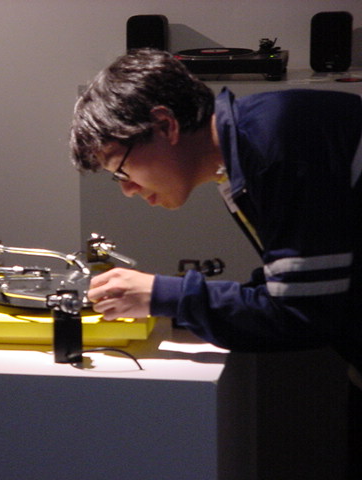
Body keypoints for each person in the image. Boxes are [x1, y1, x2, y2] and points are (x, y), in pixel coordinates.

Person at [70, 48, 362, 478]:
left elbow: (303, 312)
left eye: (121, 170)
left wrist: (164, 295)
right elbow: (289, 289)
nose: (127, 189)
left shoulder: (279, 139)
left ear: (165, 125)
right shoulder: (247, 146)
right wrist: (166, 299)